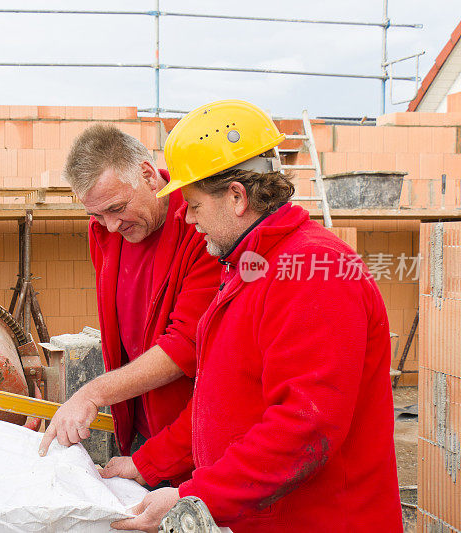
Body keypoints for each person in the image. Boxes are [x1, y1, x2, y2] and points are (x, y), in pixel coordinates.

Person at [103, 100, 402, 532]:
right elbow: (219, 400)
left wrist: (196, 496)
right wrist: (146, 465)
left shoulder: (315, 271)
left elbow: (303, 427)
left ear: (237, 197)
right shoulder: (249, 267)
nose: (185, 216)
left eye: (194, 203)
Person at [38, 125, 221, 473]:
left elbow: (186, 345)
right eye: (97, 215)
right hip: (136, 428)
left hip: (194, 437)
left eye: (116, 207)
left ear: (148, 176)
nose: (109, 226)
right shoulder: (107, 234)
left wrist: (94, 393)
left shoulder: (202, 229)